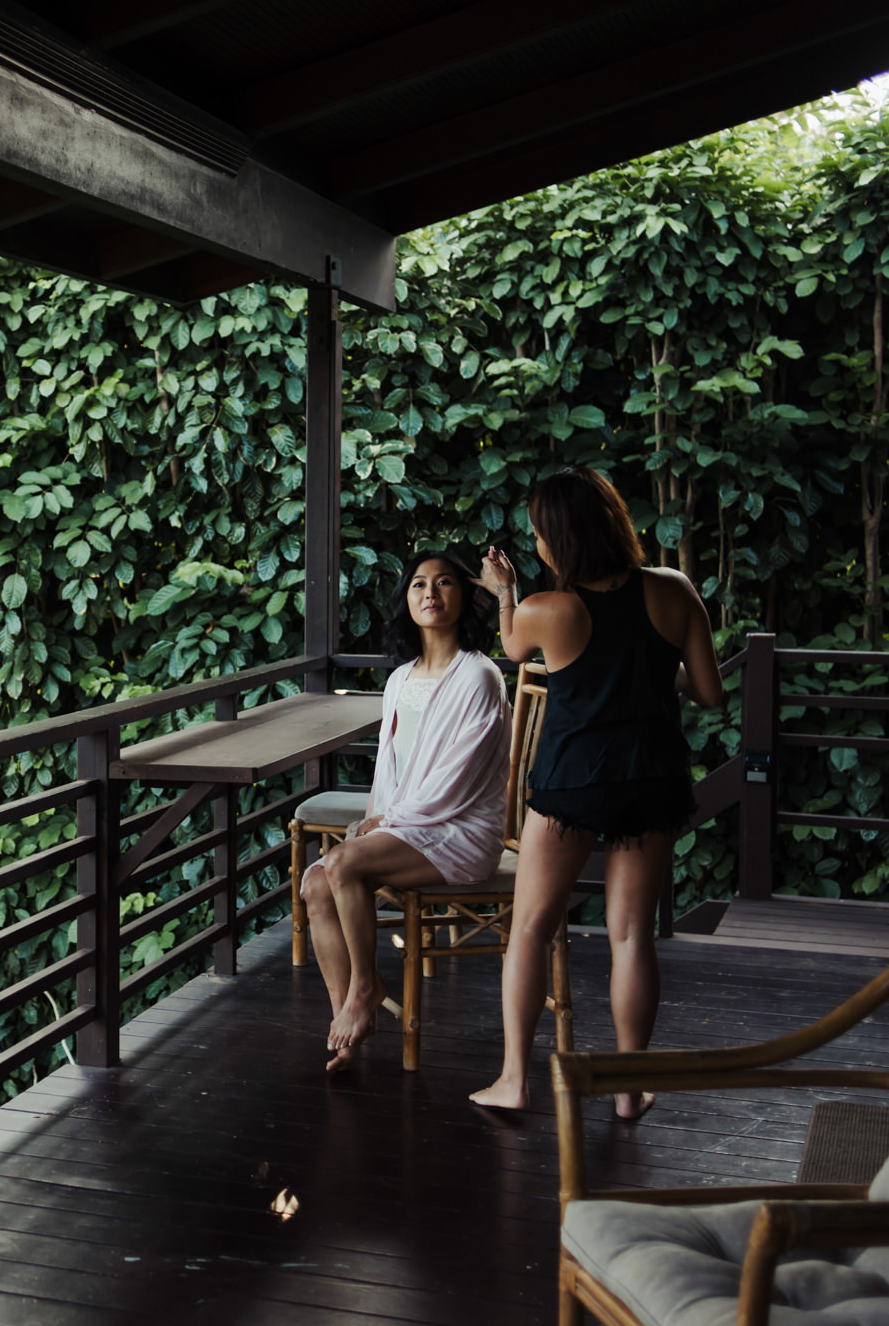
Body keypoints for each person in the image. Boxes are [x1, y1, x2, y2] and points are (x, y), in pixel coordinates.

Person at [470, 467, 721, 1116]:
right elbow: (710, 691)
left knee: (527, 928)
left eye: (539, 535)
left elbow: (513, 647)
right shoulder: (674, 590)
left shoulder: (546, 609)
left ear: (561, 539)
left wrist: (505, 591)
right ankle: (629, 1088)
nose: (537, 545)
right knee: (631, 933)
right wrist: (661, 681)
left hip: (573, 778)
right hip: (653, 775)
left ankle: (515, 1080)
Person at [302, 548, 510, 1073]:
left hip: (461, 831)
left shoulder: (478, 679)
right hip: (408, 829)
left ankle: (366, 988)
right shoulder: (400, 680)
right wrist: (379, 818)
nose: (430, 594)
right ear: (407, 599)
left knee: (343, 863)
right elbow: (387, 774)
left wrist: (386, 824)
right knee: (316, 883)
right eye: (418, 584)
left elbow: (457, 781)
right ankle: (348, 1018)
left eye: (444, 583)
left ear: (465, 596)